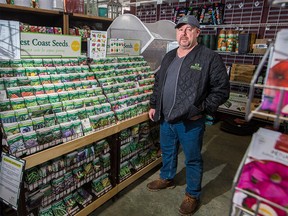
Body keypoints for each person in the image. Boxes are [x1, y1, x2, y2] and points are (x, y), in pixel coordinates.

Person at [146, 15, 230, 216]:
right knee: (168, 151)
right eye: (180, 29)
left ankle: (192, 194)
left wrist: (200, 109)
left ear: (197, 32)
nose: (183, 33)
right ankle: (167, 177)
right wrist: (154, 105)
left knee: (192, 158)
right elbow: (159, 83)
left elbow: (222, 89)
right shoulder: (169, 56)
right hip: (166, 117)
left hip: (190, 121)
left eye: (188, 29)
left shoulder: (209, 57)